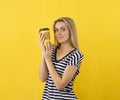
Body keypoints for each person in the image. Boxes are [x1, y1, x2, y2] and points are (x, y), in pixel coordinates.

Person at [38, 17, 84, 100]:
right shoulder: (52, 50)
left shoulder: (76, 54)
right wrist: (44, 51)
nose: (59, 33)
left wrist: (48, 60)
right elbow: (42, 78)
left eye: (63, 29)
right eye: (56, 30)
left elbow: (60, 85)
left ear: (71, 31)